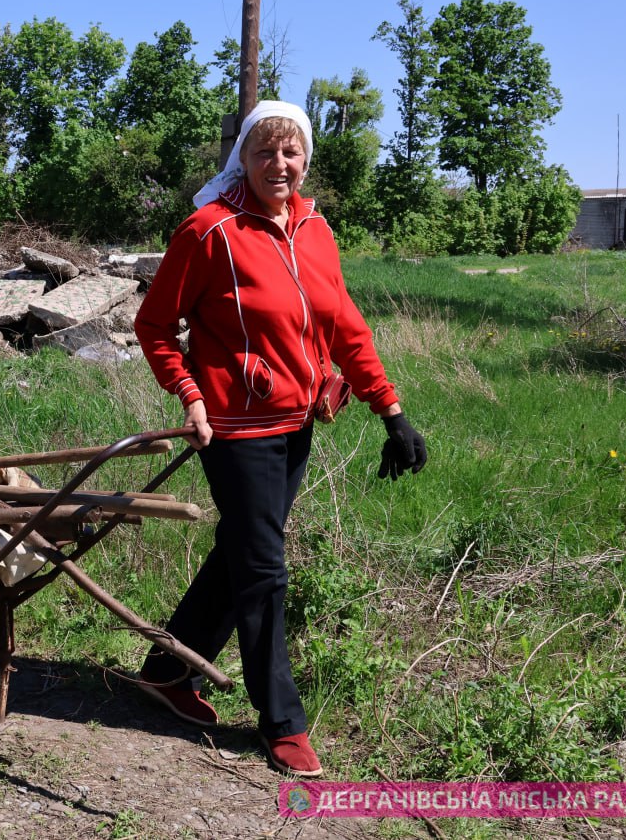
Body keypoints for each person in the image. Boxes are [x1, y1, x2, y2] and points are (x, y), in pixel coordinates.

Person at [132, 100, 426, 777]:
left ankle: (167, 672)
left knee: (242, 551)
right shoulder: (210, 232)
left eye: (291, 152)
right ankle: (282, 722)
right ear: (244, 157)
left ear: (306, 157)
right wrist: (191, 394)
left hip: (295, 425)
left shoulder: (316, 230)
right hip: (233, 429)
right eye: (265, 151)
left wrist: (390, 409)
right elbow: (155, 326)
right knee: (264, 570)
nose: (280, 164)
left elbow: (344, 323)